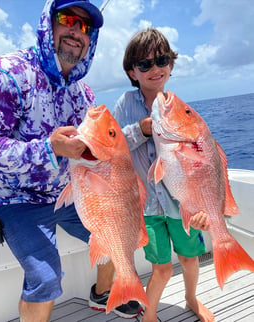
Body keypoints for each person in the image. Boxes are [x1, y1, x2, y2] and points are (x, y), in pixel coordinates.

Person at [0, 0, 141, 320]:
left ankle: (102, 294)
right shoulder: (8, 72)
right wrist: (47, 149)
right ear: (48, 24)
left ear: (91, 39)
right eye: (66, 19)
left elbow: (100, 150)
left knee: (119, 236)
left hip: (70, 191)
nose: (75, 30)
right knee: (45, 278)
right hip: (15, 197)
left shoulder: (83, 94)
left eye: (84, 26)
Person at [113, 28, 215, 322]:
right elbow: (114, 144)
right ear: (133, 72)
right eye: (144, 64)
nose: (154, 69)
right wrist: (141, 130)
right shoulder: (125, 104)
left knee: (189, 257)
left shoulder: (180, 110)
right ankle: (150, 314)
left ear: (171, 65)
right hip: (148, 208)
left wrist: (201, 209)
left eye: (162, 60)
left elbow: (204, 164)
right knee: (162, 267)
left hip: (182, 205)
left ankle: (192, 299)